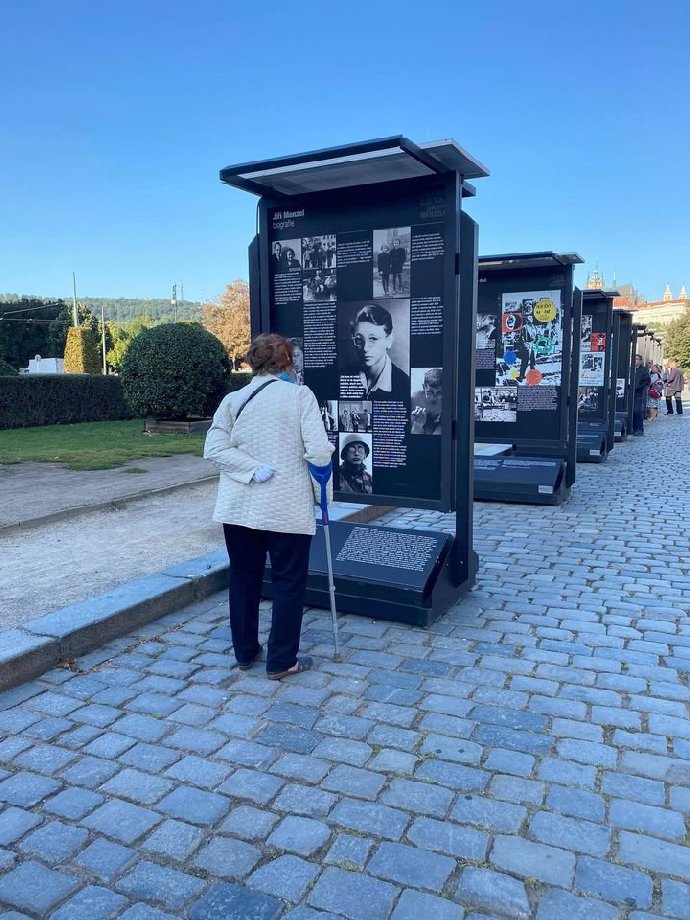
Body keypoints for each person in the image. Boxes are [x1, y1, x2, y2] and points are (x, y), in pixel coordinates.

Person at [204, 333, 333, 680]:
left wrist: (248, 469)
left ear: (253, 361)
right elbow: (319, 453)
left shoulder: (233, 399)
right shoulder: (299, 396)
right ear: (286, 362)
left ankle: (245, 652)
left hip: (240, 507)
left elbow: (214, 449)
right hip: (286, 505)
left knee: (244, 578)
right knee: (289, 581)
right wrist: (324, 500)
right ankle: (281, 660)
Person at [343, 303, 409, 400]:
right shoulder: (344, 374)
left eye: (373, 339)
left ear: (389, 340)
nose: (365, 348)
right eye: (359, 339)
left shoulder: (405, 385)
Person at [411, 368, 443, 435]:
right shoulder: (414, 399)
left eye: (439, 392)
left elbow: (442, 425)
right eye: (430, 392)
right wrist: (417, 425)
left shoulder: (444, 402)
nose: (434, 396)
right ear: (423, 387)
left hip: (433, 425)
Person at [632, 353, 651, 436]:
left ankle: (640, 429)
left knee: (637, 410)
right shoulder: (630, 369)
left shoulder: (643, 369)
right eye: (634, 359)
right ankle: (634, 428)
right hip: (629, 392)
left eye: (636, 359)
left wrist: (640, 387)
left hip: (638, 392)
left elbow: (647, 380)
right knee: (631, 411)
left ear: (640, 361)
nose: (635, 361)